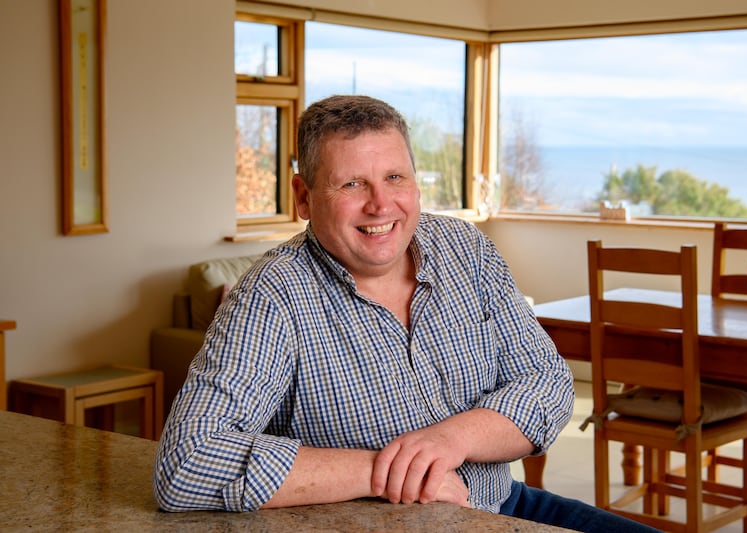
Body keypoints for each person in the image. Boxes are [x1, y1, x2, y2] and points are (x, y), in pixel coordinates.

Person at [153, 95, 658, 532]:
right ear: (304, 197)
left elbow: (548, 386)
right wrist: (389, 472)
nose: (381, 204)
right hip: (371, 522)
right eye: (351, 184)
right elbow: (187, 465)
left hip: (501, 505)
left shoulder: (467, 250)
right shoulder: (271, 297)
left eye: (394, 176)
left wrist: (448, 440)